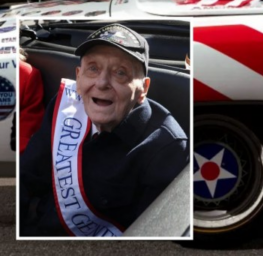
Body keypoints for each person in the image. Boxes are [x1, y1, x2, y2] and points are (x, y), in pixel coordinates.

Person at [19, 24, 188, 236]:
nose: (102, 83)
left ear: (143, 89)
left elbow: (153, 238)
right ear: (78, 77)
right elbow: (26, 179)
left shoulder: (167, 147)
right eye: (93, 69)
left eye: (120, 73)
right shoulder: (64, 107)